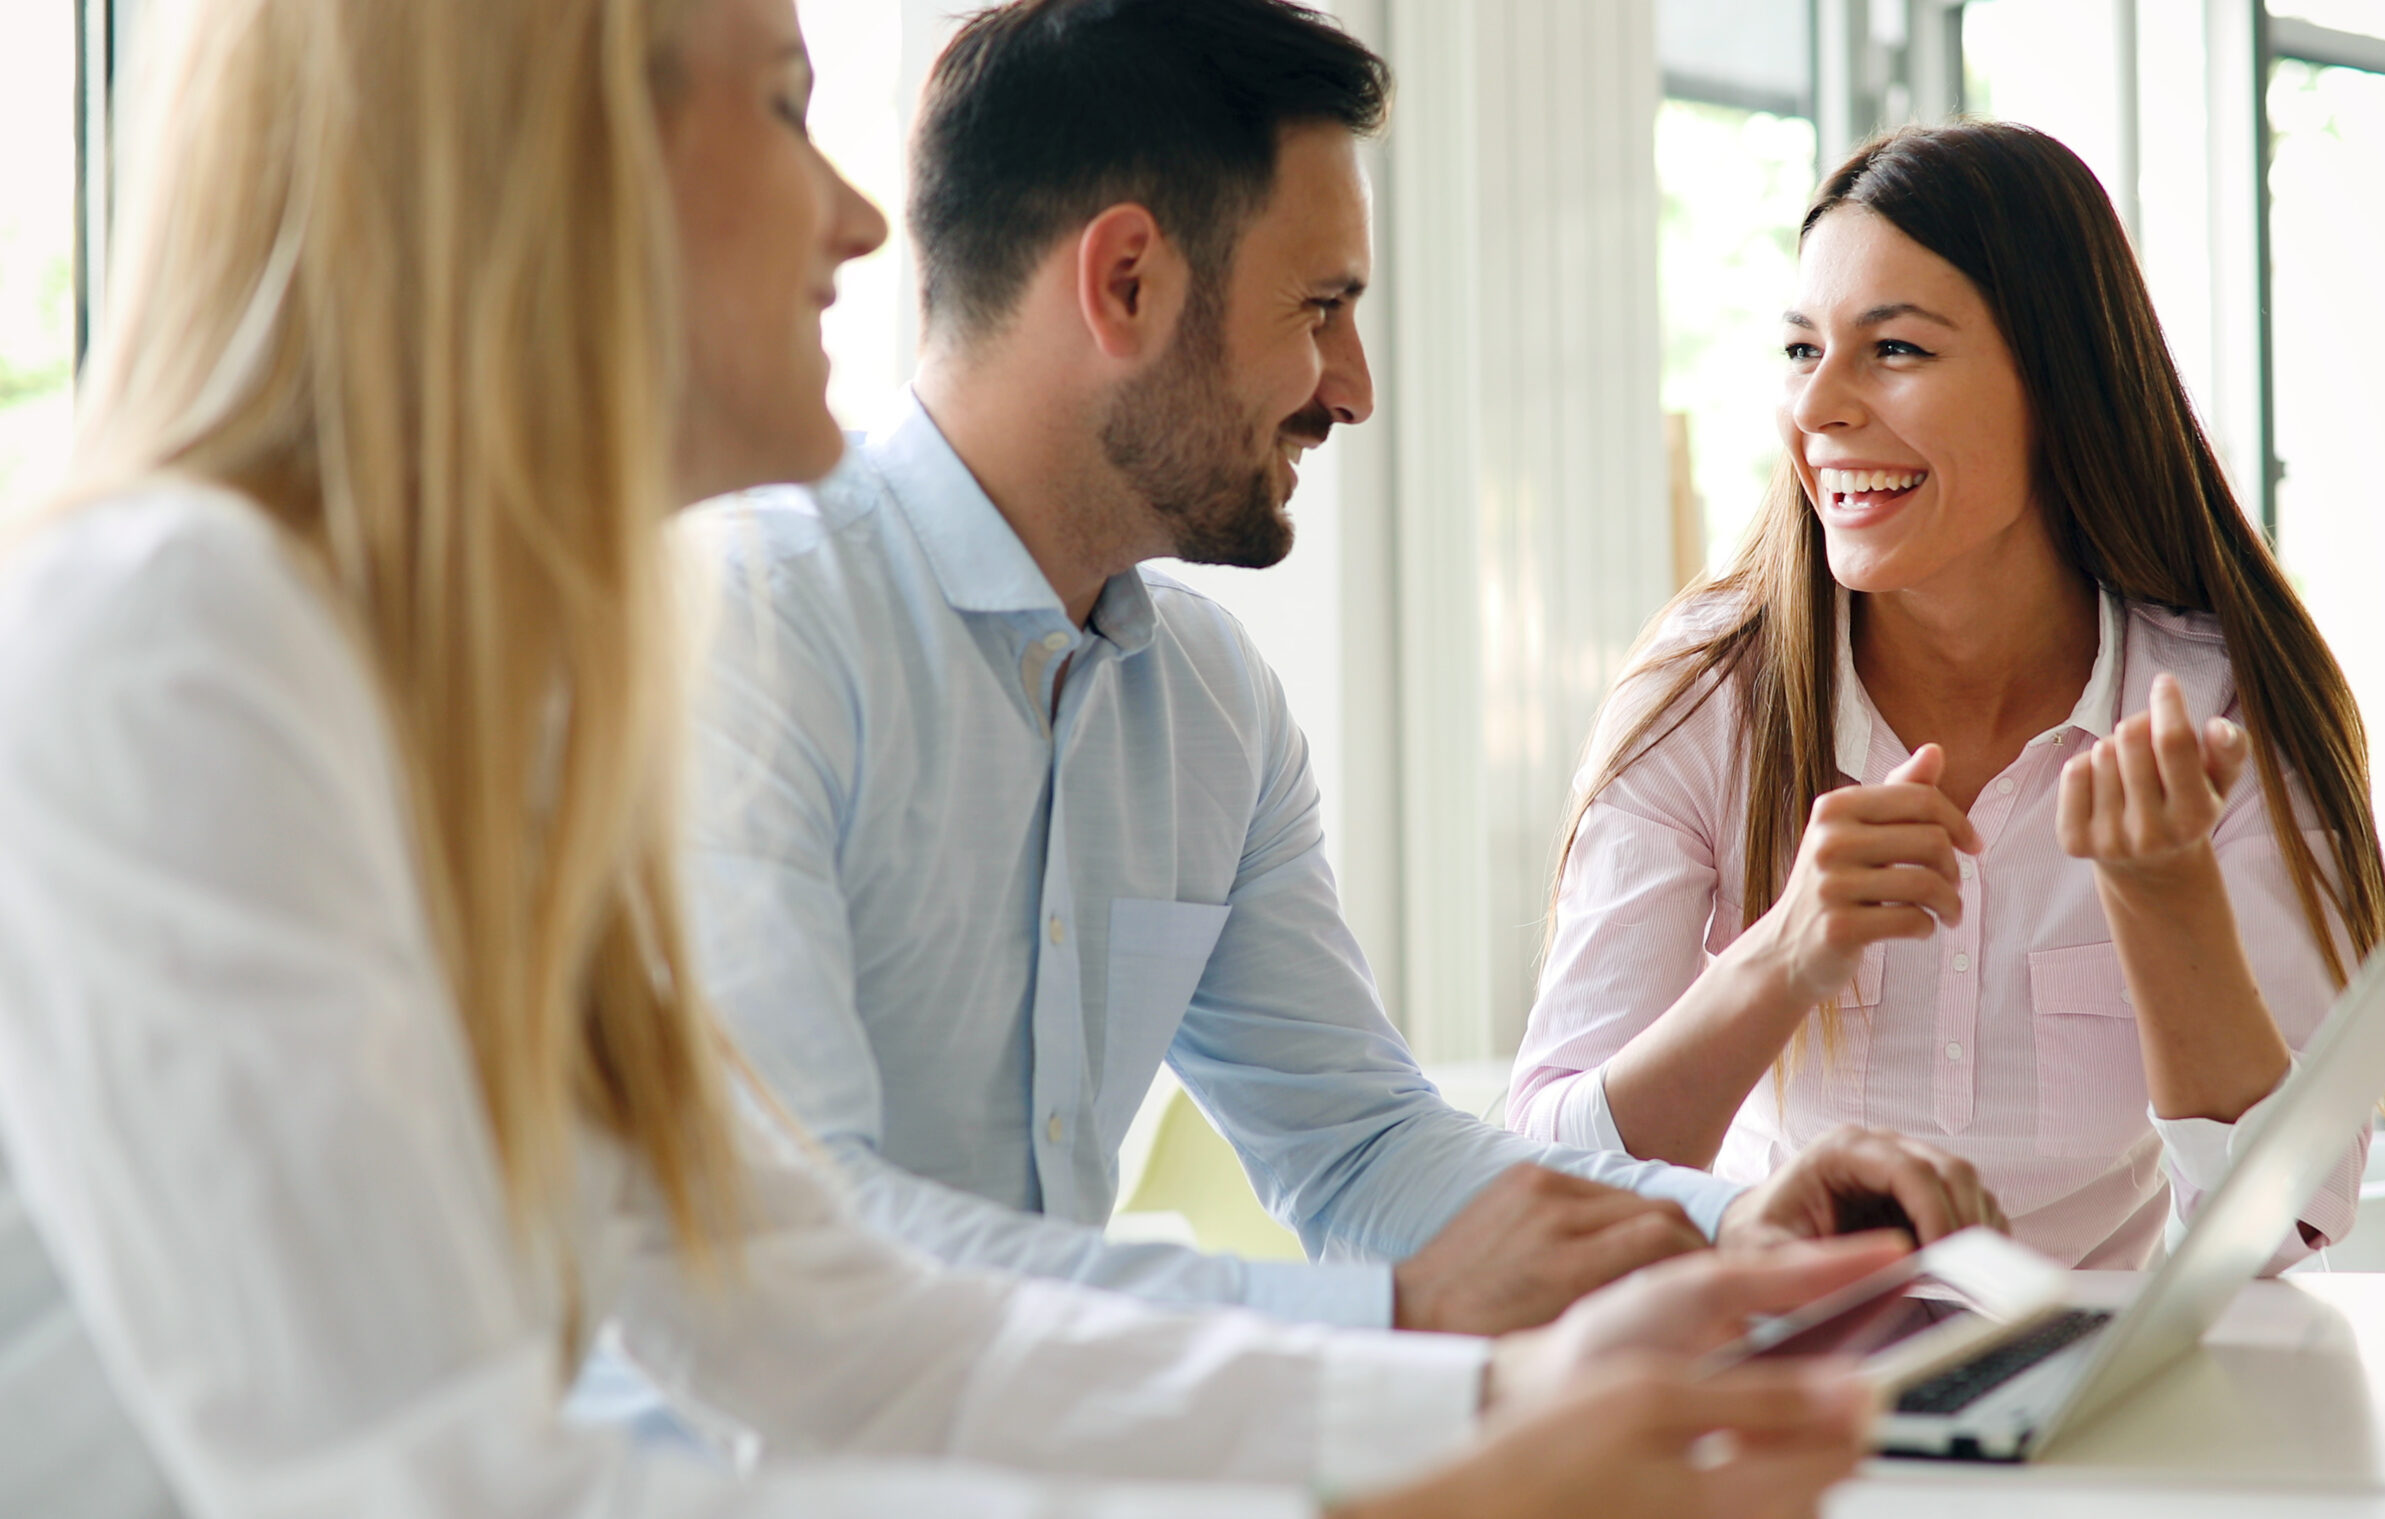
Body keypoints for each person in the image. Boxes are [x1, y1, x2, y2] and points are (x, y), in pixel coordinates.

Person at [0, 0, 1894, 1513]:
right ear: (553, 163)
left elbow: (808, 1306)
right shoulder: (182, 641)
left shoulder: (509, 712)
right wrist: (1416, 1463)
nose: (856, 218)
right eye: (782, 105)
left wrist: (1487, 1400)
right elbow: (443, 1479)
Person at [684, 0, 2002, 1341]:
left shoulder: (1206, 703)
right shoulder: (745, 632)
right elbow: (811, 1247)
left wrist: (1731, 1219)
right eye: (1321, 308)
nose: (1354, 388)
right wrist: (1401, 1311)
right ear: (1126, 283)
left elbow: (1364, 1150)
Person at [1508, 121, 2385, 1270]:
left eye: (1895, 349)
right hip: (1781, 1352)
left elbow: (2286, 1225)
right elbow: (1542, 1188)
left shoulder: (2220, 710)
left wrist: (2168, 901)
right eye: (1801, 350)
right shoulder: (1707, 698)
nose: (1817, 407)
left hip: (2098, 1370)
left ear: (2057, 383)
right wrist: (1783, 957)